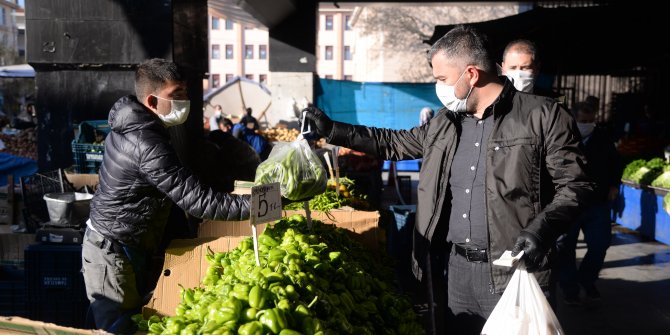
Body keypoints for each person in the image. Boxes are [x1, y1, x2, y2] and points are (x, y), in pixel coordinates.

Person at [303, 25, 593, 334]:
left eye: (442, 79)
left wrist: (541, 230)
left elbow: (575, 184)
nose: (439, 87)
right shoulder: (445, 122)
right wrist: (333, 130)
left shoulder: (544, 116)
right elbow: (394, 143)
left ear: (471, 74)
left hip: (515, 272)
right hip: (458, 274)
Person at [82, 58, 251, 334]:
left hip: (127, 240)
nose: (185, 101)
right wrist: (259, 205)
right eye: (176, 95)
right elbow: (197, 200)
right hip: (113, 248)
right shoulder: (145, 142)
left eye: (185, 92)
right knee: (119, 327)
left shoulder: (140, 125)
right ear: (151, 100)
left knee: (122, 318)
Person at [556, 101, 623, 307]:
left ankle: (587, 279)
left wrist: (614, 185)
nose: (587, 124)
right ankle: (570, 289)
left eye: (590, 120)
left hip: (597, 202)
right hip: (569, 202)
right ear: (573, 119)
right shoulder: (562, 137)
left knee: (600, 244)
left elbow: (616, 163)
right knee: (565, 248)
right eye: (582, 121)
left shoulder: (603, 138)